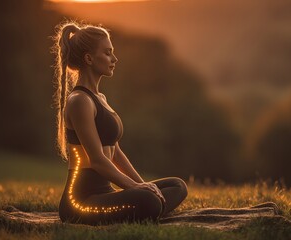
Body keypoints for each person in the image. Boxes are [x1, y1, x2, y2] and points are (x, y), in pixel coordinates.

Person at [51, 21, 188, 225]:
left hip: (106, 193)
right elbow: (97, 160)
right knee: (149, 202)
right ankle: (151, 208)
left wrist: (143, 184)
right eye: (107, 53)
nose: (114, 59)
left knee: (178, 186)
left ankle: (151, 207)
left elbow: (114, 151)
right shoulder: (80, 101)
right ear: (89, 58)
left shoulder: (100, 98)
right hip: (80, 203)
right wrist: (134, 188)